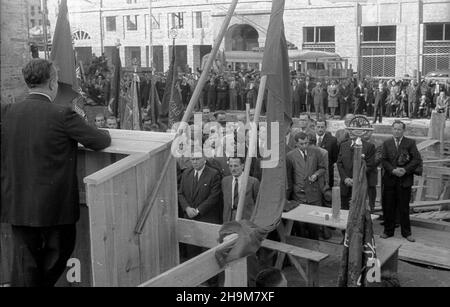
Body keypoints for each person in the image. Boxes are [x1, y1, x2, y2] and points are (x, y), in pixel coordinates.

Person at [1, 59, 111, 287]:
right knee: (54, 259)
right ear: (52, 83)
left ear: (26, 82)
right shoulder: (62, 115)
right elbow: (100, 140)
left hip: (18, 205)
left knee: (24, 267)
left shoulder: (8, 112)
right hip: (55, 210)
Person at [381, 121, 422, 242]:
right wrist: (393, 170)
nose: (397, 131)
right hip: (390, 179)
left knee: (404, 207)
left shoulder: (410, 142)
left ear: (403, 130)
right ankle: (388, 231)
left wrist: (405, 170)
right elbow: (384, 160)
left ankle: (406, 233)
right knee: (388, 206)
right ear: (391, 129)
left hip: (405, 180)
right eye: (395, 129)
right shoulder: (387, 143)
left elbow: (416, 159)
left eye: (399, 129)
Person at [286, 132, 326, 207]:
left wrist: (316, 175)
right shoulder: (290, 156)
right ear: (296, 143)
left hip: (314, 193)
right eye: (301, 144)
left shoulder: (316, 152)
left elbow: (322, 168)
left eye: (306, 143)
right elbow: (289, 177)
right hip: (299, 194)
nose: (304, 146)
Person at [337, 132, 376, 210]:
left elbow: (370, 166)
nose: (351, 132)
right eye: (350, 130)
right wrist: (345, 178)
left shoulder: (369, 146)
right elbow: (339, 163)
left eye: (354, 130)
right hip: (345, 185)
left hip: (360, 186)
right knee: (344, 211)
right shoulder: (343, 145)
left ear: (360, 131)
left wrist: (356, 179)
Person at [222, 157, 260, 223]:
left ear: (242, 166)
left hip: (246, 220)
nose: (233, 169)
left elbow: (258, 203)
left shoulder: (253, 182)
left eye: (236, 166)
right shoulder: (225, 181)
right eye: (230, 166)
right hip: (228, 220)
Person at [315, 119, 338, 188]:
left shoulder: (332, 140)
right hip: (313, 171)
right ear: (315, 127)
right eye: (318, 127)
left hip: (327, 172)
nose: (320, 129)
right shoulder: (309, 138)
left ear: (325, 127)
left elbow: (335, 157)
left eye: (322, 127)